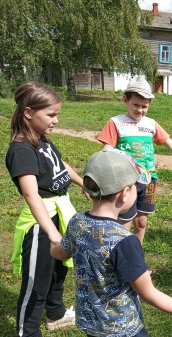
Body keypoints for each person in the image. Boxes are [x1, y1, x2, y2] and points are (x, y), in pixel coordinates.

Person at [50, 150, 172, 337]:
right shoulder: (124, 240)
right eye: (135, 186)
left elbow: (60, 253)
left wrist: (52, 244)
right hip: (123, 329)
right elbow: (149, 293)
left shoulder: (77, 221)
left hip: (92, 325)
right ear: (125, 193)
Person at [5, 82, 84, 336]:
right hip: (42, 224)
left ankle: (56, 314)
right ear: (28, 113)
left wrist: (84, 183)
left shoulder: (40, 139)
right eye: (51, 114)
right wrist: (51, 233)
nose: (56, 120)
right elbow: (31, 194)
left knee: (58, 271)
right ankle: (27, 332)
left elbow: (59, 164)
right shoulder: (21, 149)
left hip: (60, 214)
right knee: (36, 284)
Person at [97, 75, 172, 243]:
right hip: (125, 181)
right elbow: (106, 151)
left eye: (144, 106)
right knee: (124, 222)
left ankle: (136, 255)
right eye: (136, 105)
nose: (140, 110)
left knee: (141, 221)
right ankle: (119, 258)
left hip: (149, 180)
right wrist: (98, 177)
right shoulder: (115, 122)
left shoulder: (150, 124)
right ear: (125, 100)